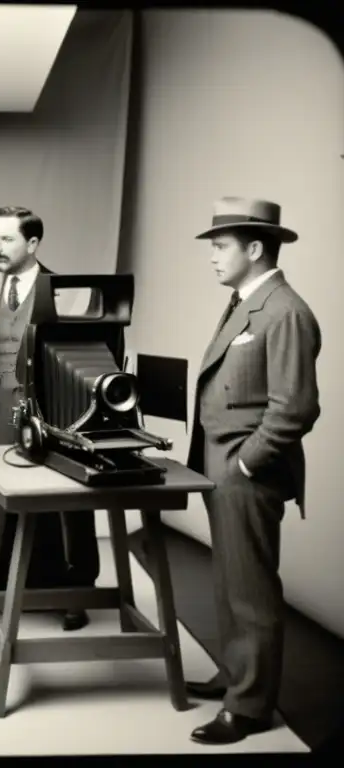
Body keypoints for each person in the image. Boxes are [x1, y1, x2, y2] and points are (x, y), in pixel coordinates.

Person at [185, 197, 321, 746]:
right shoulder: (248, 301)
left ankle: (250, 707)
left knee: (252, 591)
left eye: (220, 247)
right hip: (222, 468)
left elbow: (295, 408)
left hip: (247, 473)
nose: (212, 257)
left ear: (256, 249)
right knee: (230, 582)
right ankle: (237, 676)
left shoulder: (285, 310)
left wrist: (244, 462)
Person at [0, 206, 100, 632]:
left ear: (32, 244)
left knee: (59, 498)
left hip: (44, 411)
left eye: (7, 239)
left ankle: (73, 590)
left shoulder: (65, 290)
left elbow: (83, 358)